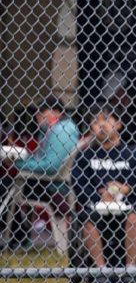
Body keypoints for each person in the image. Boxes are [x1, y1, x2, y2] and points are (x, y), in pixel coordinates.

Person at [71, 105, 136, 283]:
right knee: (86, 217)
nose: (101, 125)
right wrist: (99, 197)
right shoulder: (85, 157)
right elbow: (79, 185)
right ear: (90, 128)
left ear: (118, 124)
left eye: (106, 119)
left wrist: (127, 189)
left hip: (128, 207)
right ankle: (100, 272)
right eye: (95, 122)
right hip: (97, 208)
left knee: (134, 216)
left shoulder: (134, 155)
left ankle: (131, 271)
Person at [4, 97, 80, 249]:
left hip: (52, 185)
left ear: (56, 112)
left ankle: (15, 237)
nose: (37, 117)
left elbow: (50, 166)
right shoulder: (58, 128)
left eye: (41, 113)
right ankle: (17, 236)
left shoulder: (61, 130)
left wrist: (19, 164)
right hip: (50, 181)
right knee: (7, 185)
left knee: (5, 186)